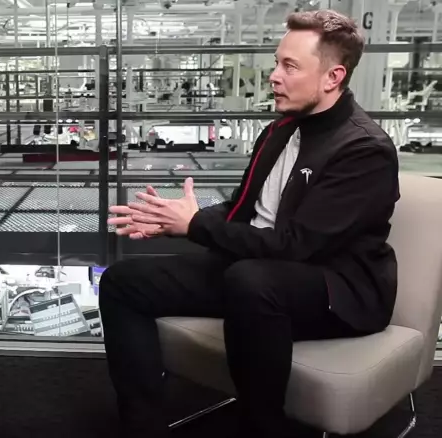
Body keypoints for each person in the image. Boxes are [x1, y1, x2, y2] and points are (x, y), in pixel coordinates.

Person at [101, 10, 399, 438]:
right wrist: (178, 219)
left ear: (333, 77)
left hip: (339, 290)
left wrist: (196, 227)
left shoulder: (364, 149)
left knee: (251, 281)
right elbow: (242, 210)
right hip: (255, 273)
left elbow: (295, 246)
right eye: (277, 63)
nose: (274, 76)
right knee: (121, 282)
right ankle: (143, 427)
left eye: (290, 66)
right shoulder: (280, 131)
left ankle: (263, 427)